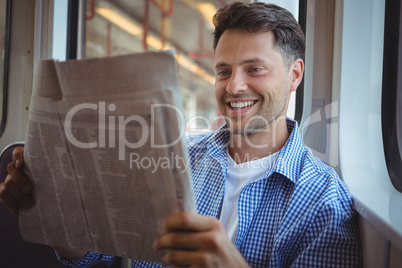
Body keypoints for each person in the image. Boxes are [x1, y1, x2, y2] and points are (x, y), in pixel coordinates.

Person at [0, 2, 362, 267]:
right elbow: (96, 254)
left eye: (254, 69)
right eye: (223, 71)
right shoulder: (173, 156)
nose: (234, 86)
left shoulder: (325, 203)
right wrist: (52, 213)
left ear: (295, 75)